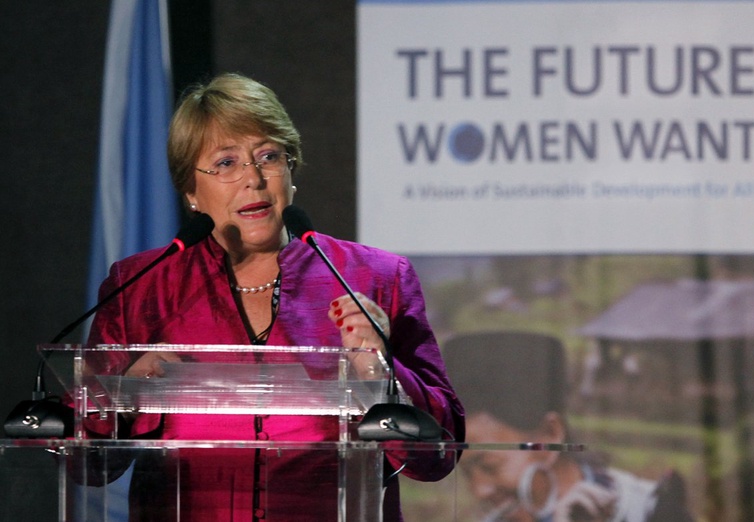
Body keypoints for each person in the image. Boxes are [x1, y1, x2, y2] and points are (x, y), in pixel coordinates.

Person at [85, 72, 465, 521]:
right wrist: (126, 396)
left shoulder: (374, 277)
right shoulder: (142, 287)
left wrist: (380, 375)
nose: (254, 179)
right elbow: (88, 464)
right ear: (191, 191)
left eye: (268, 156)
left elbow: (438, 454)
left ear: (291, 169)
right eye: (226, 163)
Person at [442, 331, 692, 522]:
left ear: (549, 435)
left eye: (489, 466)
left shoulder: (646, 510)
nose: (479, 491)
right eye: (465, 473)